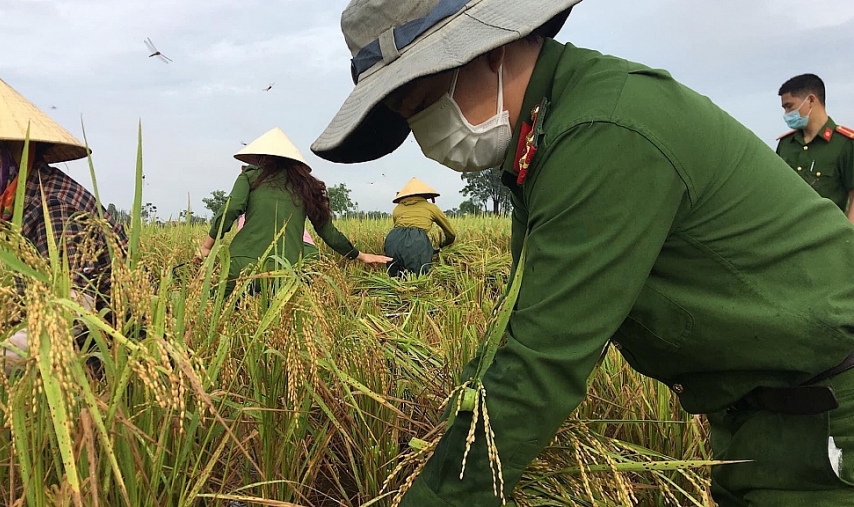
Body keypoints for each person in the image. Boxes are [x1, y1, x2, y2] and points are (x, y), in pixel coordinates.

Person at [311, 1, 854, 505]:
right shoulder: (544, 140)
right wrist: (464, 411)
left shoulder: (602, 131)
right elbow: (520, 317)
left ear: (486, 50)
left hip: (827, 404)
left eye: (420, 102)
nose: (422, 132)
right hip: (761, 406)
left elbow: (541, 362)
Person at [0, 73, 128, 396]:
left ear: (2, 155)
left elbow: (75, 307)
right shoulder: (24, 200)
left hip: (99, 359)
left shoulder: (55, 206)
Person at [199, 127, 389, 297]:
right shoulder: (306, 188)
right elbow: (329, 233)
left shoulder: (250, 176)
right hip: (286, 274)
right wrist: (360, 255)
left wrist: (207, 247)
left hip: (241, 270)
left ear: (262, 158)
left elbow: (231, 209)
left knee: (216, 304)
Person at [776, 74, 854, 222]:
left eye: (789, 106)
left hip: (826, 238)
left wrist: (848, 240)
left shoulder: (845, 144)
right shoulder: (786, 144)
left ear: (811, 100)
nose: (786, 114)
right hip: (786, 235)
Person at [385, 177, 455, 276]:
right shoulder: (431, 208)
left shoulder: (397, 208)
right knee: (418, 277)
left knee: (395, 276)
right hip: (416, 240)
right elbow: (451, 233)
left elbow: (400, 231)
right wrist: (444, 244)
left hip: (392, 239)